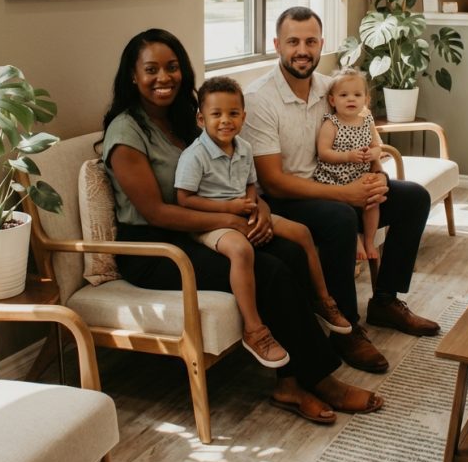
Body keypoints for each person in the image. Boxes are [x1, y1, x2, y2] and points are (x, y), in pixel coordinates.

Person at [100, 28, 382, 426]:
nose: (164, 77)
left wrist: (259, 208)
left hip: (204, 229)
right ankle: (320, 379)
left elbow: (229, 177)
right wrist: (232, 219)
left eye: (172, 67)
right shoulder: (127, 132)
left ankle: (290, 382)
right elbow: (157, 213)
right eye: (151, 69)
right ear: (132, 75)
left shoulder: (185, 119)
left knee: (289, 251)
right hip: (155, 249)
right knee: (270, 270)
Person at [242, 6, 439, 377]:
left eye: (311, 41)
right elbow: (272, 181)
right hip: (286, 198)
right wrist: (347, 194)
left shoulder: (329, 88)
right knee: (338, 217)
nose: (303, 49)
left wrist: (375, 172)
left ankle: (384, 299)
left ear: (321, 44)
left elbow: (364, 130)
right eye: (293, 41)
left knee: (413, 197)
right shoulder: (259, 100)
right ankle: (345, 327)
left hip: (333, 180)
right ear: (276, 45)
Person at [174, 75, 351, 368]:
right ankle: (254, 329)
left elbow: (251, 186)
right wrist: (229, 208)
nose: (225, 121)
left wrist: (255, 206)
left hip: (244, 212)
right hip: (210, 222)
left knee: (302, 233)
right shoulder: (194, 156)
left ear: (243, 116)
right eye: (216, 114)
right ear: (201, 119)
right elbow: (184, 199)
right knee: (241, 251)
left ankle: (322, 299)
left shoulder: (243, 148)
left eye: (233, 114)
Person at [314, 67, 383, 261]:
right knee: (343, 210)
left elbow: (376, 146)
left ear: (366, 100)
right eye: (344, 95)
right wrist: (347, 156)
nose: (351, 99)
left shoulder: (367, 119)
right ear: (332, 100)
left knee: (373, 201)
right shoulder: (331, 123)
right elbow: (324, 152)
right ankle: (355, 240)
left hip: (360, 175)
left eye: (357, 95)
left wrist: (372, 153)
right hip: (334, 179)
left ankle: (369, 240)